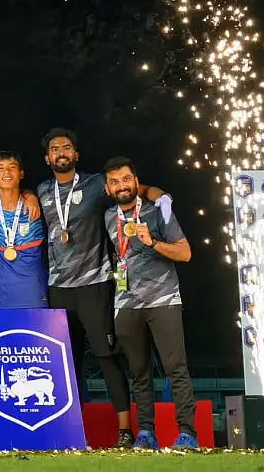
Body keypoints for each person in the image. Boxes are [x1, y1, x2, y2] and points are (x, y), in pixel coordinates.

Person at [37, 127, 168, 447]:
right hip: (58, 288)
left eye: (67, 147)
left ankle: (125, 429)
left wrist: (160, 197)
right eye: (55, 149)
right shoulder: (40, 191)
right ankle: (69, 431)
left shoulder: (96, 184)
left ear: (76, 154)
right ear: (47, 157)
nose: (61, 152)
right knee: (67, 362)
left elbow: (135, 191)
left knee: (106, 357)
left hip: (94, 284)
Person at [102, 157, 197, 450]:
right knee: (139, 373)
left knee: (175, 369)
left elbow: (185, 253)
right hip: (126, 303)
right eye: (115, 182)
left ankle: (187, 433)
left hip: (163, 300)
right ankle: (145, 433)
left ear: (135, 181)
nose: (121, 186)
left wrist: (152, 242)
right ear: (107, 188)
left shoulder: (159, 212)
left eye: (126, 179)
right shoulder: (108, 217)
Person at [0, 151, 47, 308]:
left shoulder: (37, 205)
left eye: (12, 167)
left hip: (34, 292)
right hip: (1, 295)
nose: (6, 172)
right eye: (0, 168)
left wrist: (30, 195)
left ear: (21, 174)